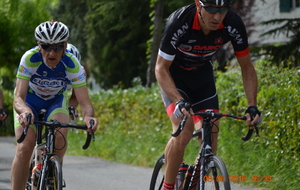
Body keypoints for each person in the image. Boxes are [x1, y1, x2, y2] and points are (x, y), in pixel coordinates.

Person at [154, 1, 261, 190]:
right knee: (183, 129)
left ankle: (196, 180)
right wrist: (179, 101)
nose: (217, 17)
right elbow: (160, 68)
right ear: (198, 5)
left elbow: (247, 67)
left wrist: (252, 105)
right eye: (211, 9)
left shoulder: (233, 24)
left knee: (211, 132)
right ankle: (168, 186)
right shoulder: (180, 22)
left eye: (222, 10)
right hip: (174, 78)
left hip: (201, 78)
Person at [11, 20, 98, 190]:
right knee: (25, 147)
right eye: (46, 46)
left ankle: (52, 174)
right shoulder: (30, 58)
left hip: (55, 101)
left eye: (57, 47)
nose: (52, 52)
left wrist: (89, 117)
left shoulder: (72, 64)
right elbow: (18, 98)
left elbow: (84, 102)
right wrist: (24, 111)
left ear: (65, 46)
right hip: (29, 101)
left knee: (60, 133)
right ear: (39, 46)